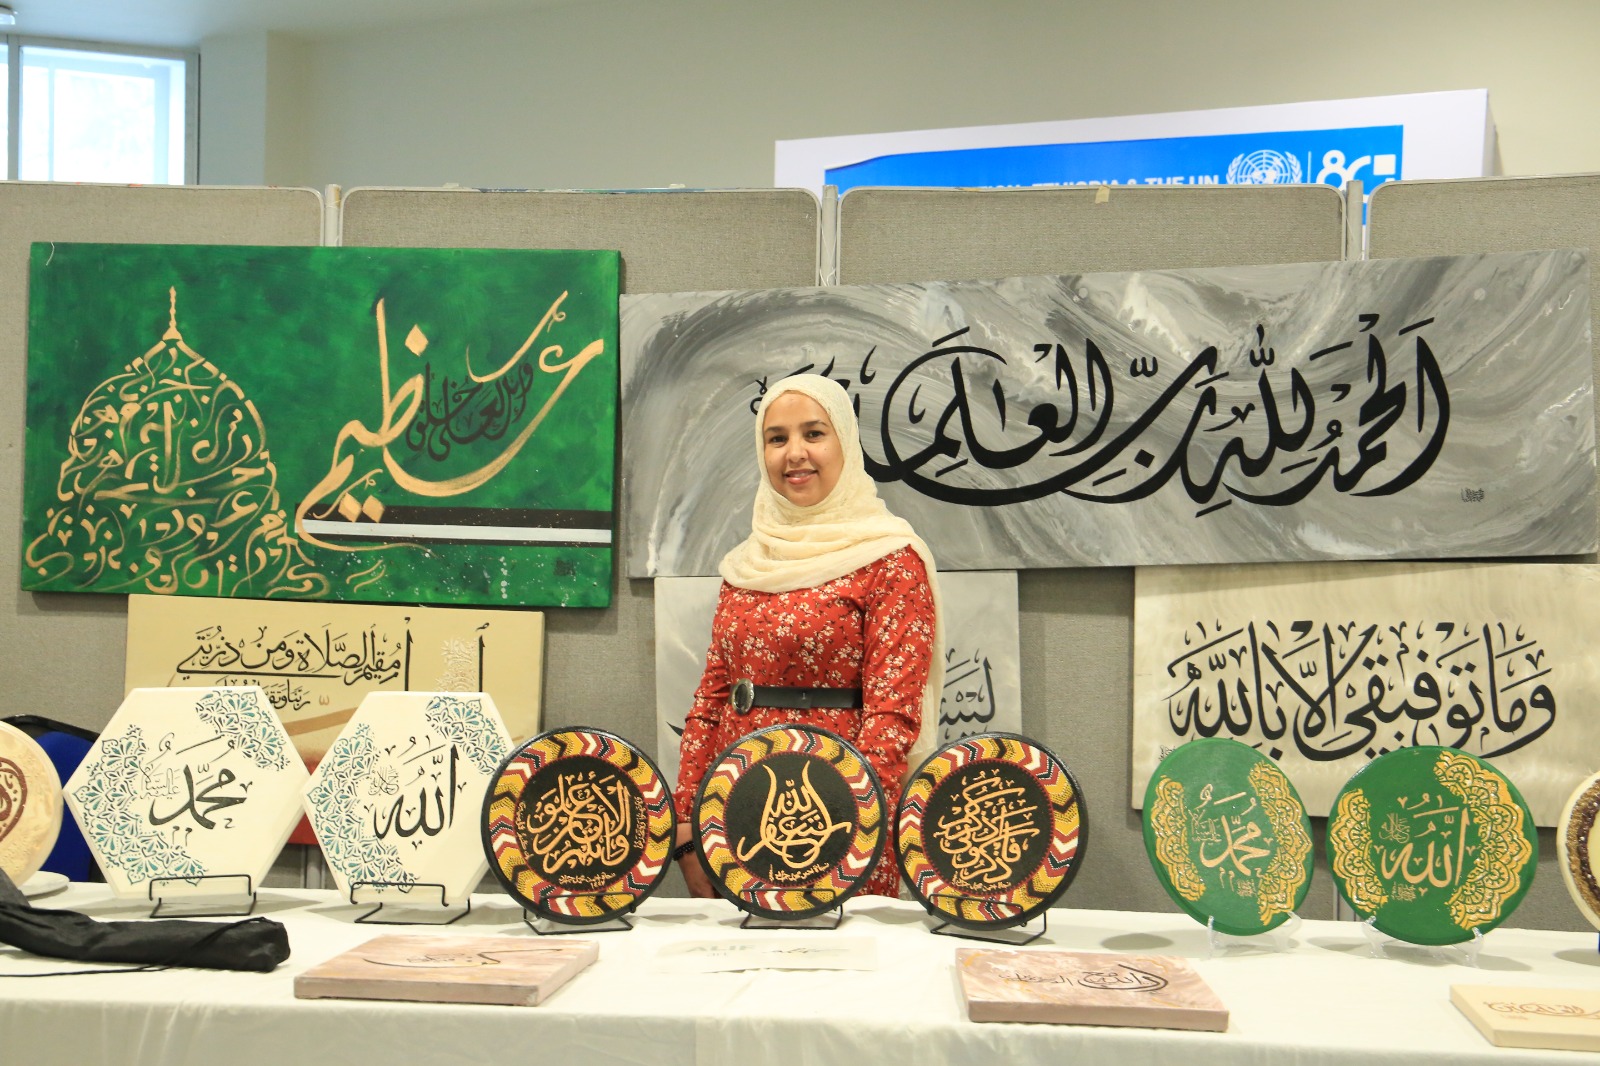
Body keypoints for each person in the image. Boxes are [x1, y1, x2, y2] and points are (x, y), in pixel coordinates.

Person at [672, 374, 943, 899]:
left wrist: (848, 832)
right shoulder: (748, 564)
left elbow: (892, 718)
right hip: (735, 812)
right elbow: (711, 700)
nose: (794, 453)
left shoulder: (890, 560)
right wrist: (686, 824)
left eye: (814, 433)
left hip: (839, 815)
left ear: (846, 443)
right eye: (777, 438)